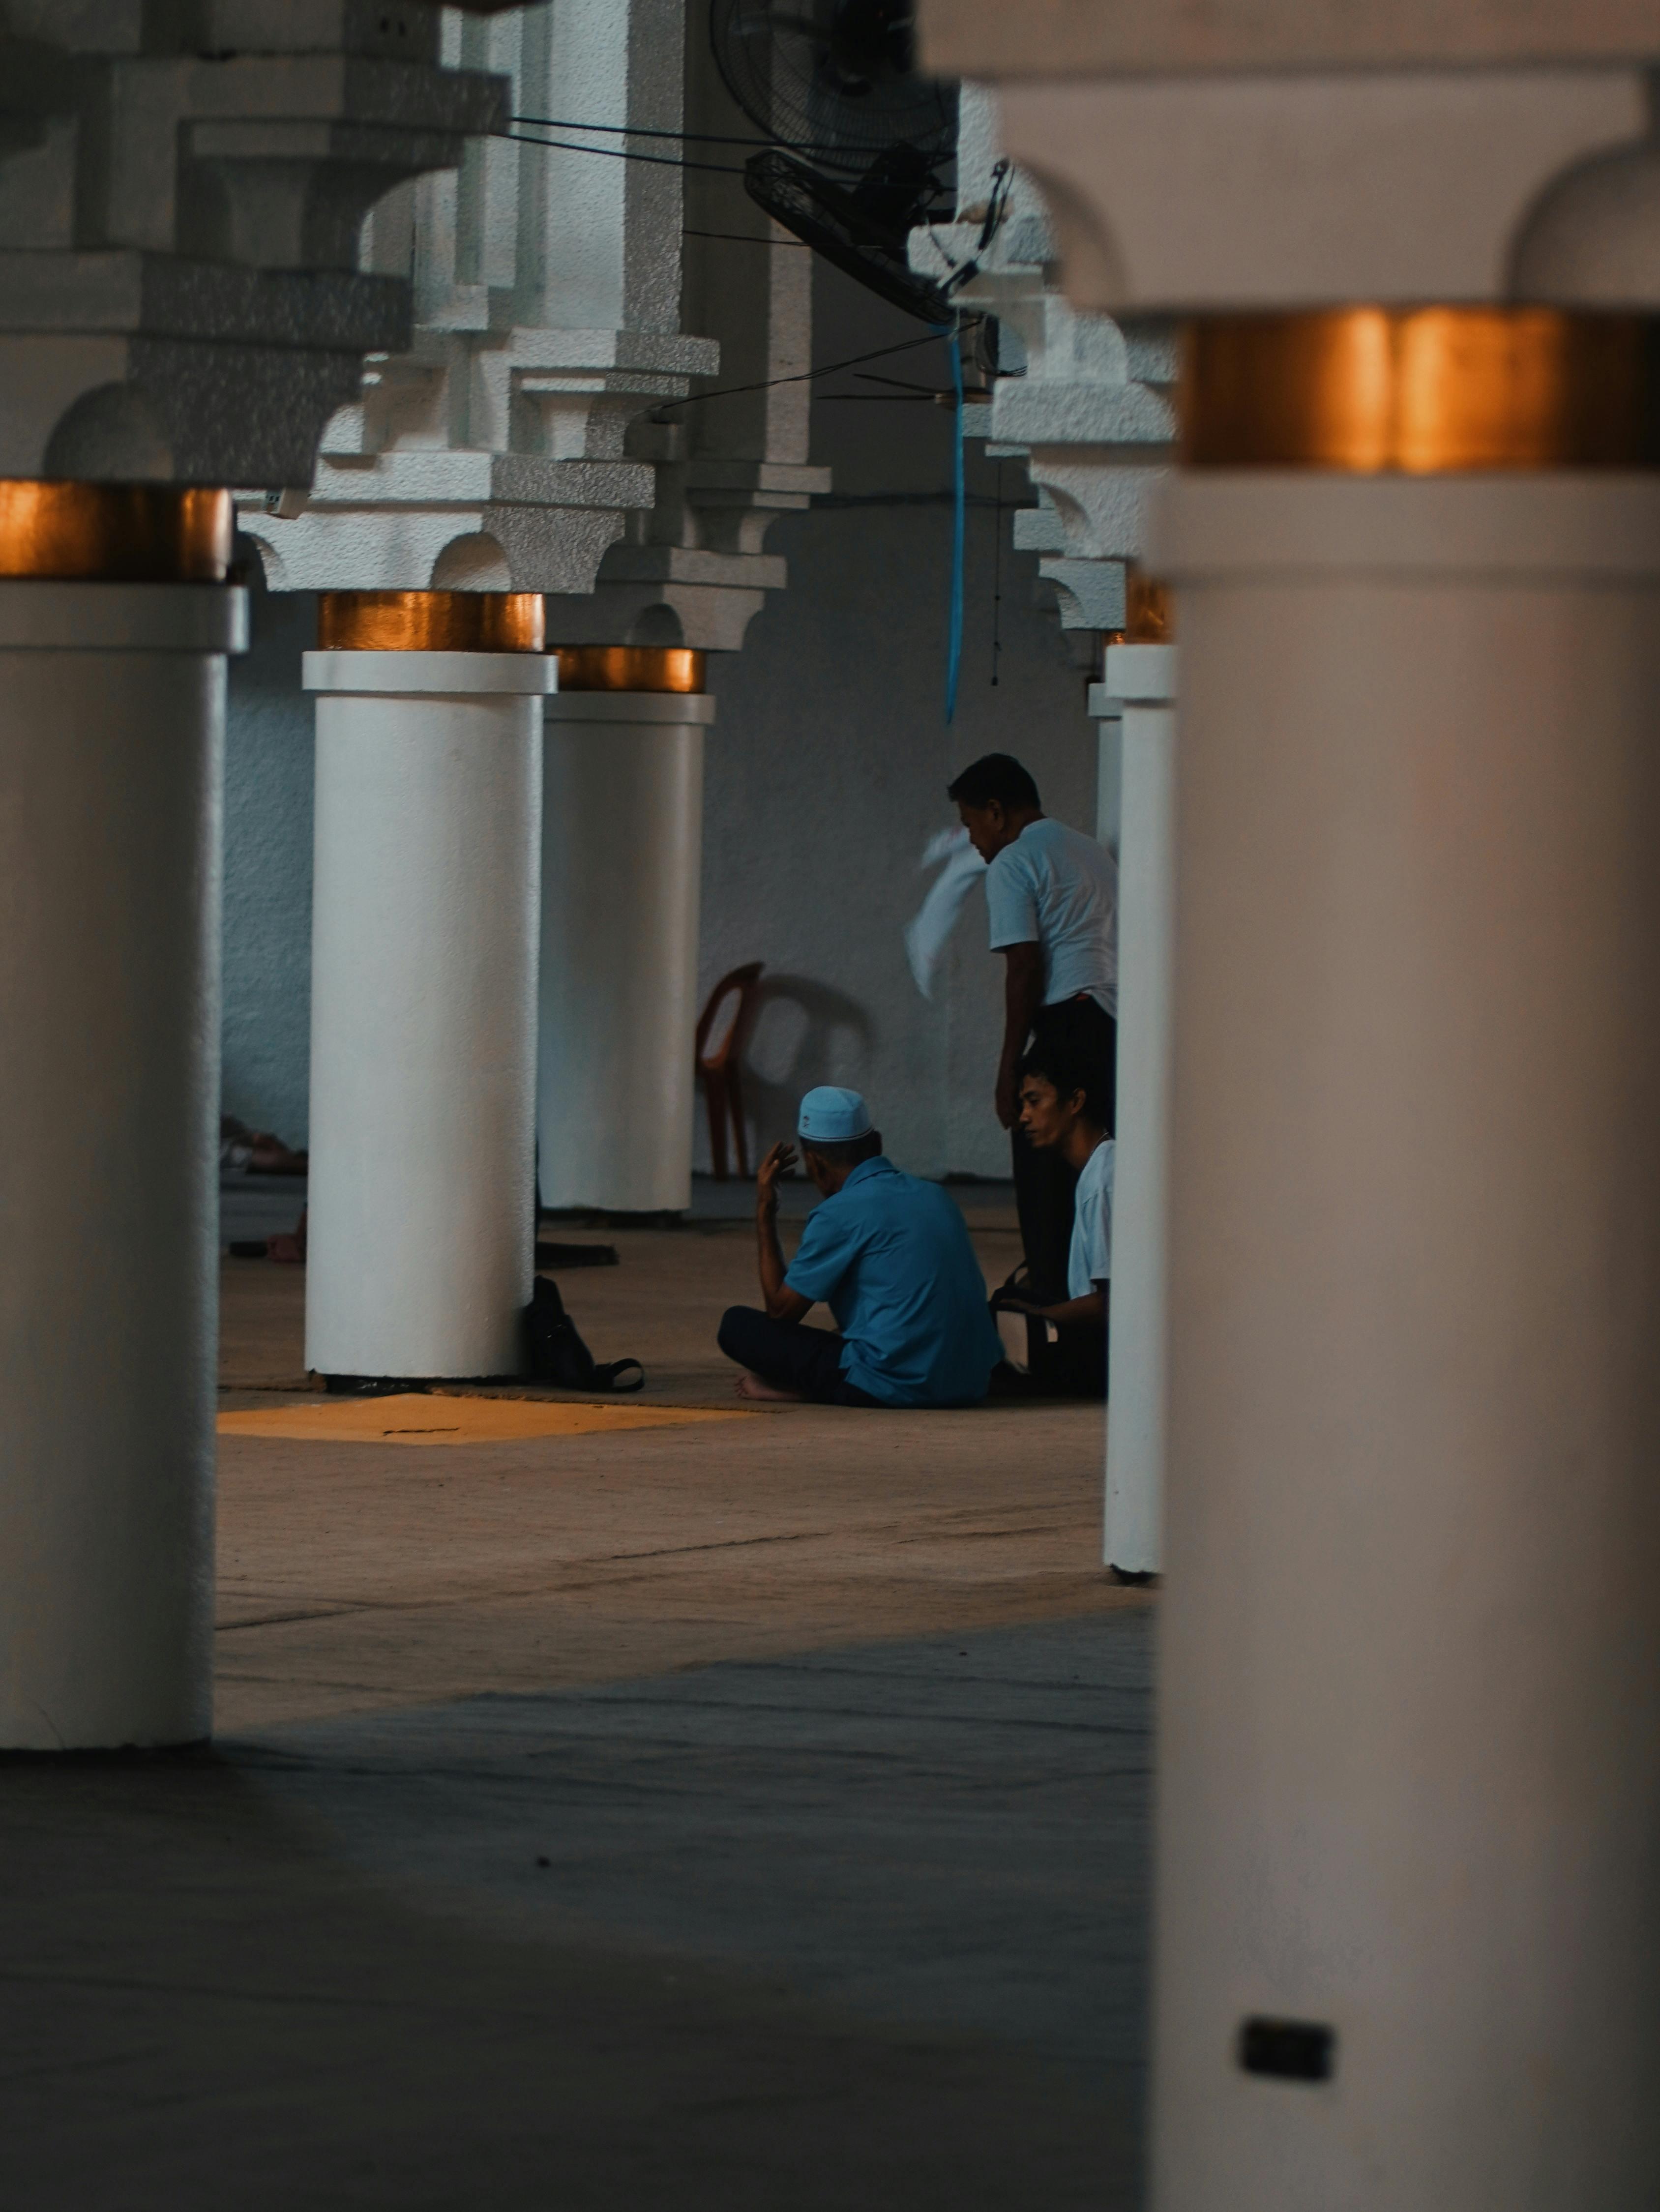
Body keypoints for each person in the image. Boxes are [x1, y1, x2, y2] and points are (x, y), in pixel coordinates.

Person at [948, 751, 1117, 1305]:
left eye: (972, 822)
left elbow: (1024, 968)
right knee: (1098, 1168)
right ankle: (1096, 1297)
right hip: (1115, 1025)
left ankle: (1049, 1306)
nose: (973, 839)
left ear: (997, 812)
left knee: (1044, 1175)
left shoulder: (1013, 862)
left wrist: (1009, 1070)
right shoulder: (1090, 850)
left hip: (1066, 1023)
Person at [718, 1086, 1003, 1408]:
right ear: (877, 1143)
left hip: (901, 1384)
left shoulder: (838, 1213)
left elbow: (781, 1311)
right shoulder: (936, 1196)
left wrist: (764, 1211)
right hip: (973, 1380)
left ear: (814, 1163)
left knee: (737, 1326)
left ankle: (809, 1390)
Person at [992, 1034, 1114, 1398]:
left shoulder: (1103, 1179)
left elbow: (1110, 1303)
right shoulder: (1096, 1169)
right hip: (1092, 1333)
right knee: (1005, 1300)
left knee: (996, 1322)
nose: (1025, 1116)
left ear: (1075, 1101)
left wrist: (1041, 1316)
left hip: (1103, 1352)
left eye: (1034, 1101)